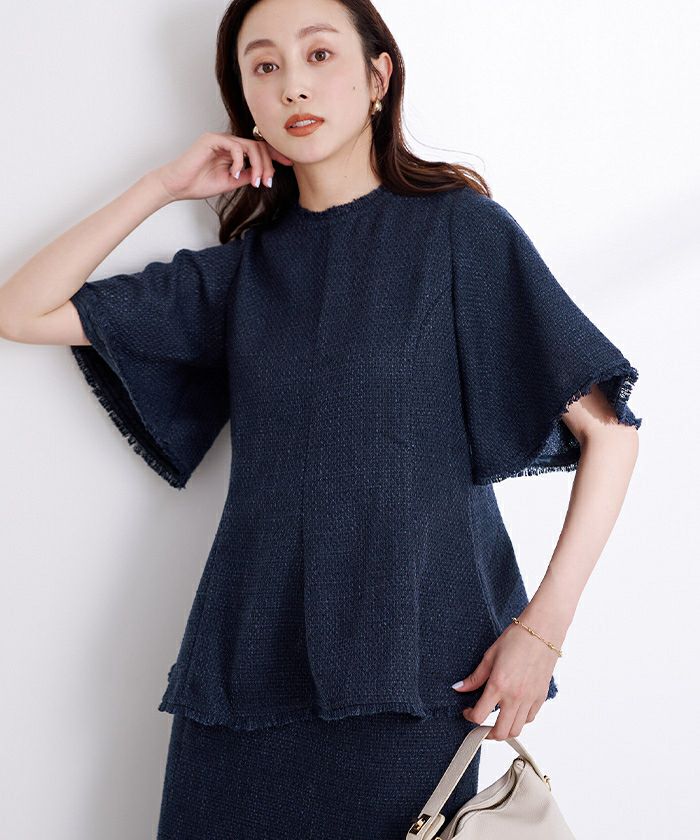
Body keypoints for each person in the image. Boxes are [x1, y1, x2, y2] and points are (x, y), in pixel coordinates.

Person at [0, 0, 643, 837]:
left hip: (414, 678)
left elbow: (609, 433)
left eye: (319, 55)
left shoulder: (460, 234)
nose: (293, 85)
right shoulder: (243, 276)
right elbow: (21, 310)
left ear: (378, 77)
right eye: (264, 66)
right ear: (245, 99)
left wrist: (541, 631)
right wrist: (162, 187)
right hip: (241, 683)